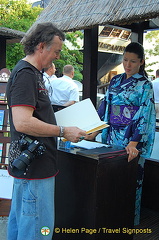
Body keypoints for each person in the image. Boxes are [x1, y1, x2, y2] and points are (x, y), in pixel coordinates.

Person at [6, 22, 87, 240]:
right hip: (35, 169)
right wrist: (62, 130)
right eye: (57, 51)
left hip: (31, 167)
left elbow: (35, 117)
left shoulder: (33, 74)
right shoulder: (26, 75)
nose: (58, 57)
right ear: (41, 46)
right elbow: (22, 122)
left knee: (21, 224)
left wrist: (68, 127)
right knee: (37, 231)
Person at [86, 42, 156, 225]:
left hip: (132, 137)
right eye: (125, 60)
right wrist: (94, 130)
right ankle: (111, 216)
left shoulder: (145, 85)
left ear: (141, 62)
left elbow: (145, 114)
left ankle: (129, 221)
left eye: (133, 61)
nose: (128, 65)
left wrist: (134, 142)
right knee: (111, 176)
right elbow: (105, 106)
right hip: (111, 136)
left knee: (131, 179)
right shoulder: (116, 80)